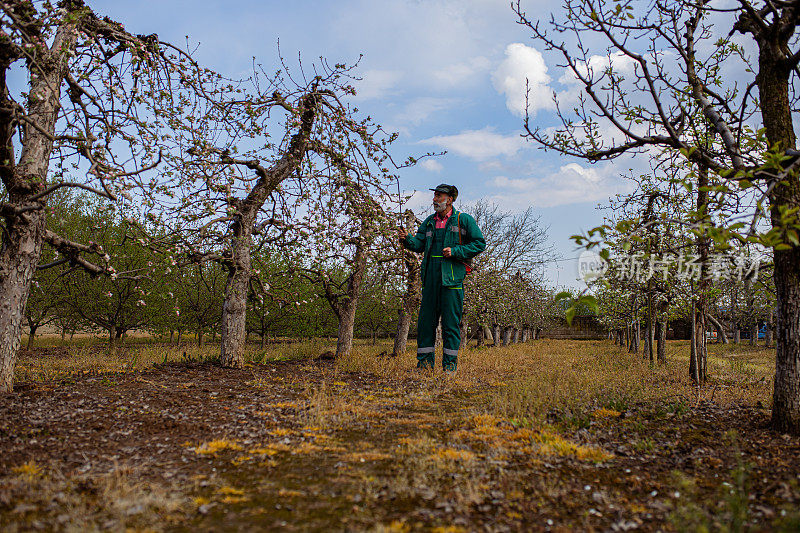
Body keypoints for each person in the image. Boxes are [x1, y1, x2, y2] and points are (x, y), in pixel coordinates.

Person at [398, 184, 486, 372]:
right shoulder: (429, 221)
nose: (435, 199)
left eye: (439, 196)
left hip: (452, 280)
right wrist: (407, 239)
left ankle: (449, 367)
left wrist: (456, 251)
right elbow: (418, 244)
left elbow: (480, 243)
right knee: (425, 323)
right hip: (430, 279)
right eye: (435, 196)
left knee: (450, 326)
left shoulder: (464, 220)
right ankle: (424, 366)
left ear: (450, 199)